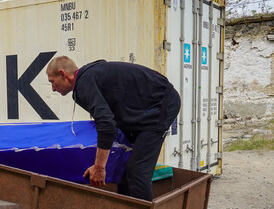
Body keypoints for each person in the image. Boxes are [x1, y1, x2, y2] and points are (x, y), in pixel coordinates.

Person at [46, 56, 181, 201]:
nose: (53, 88)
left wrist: (99, 167)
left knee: (137, 172)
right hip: (144, 107)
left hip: (161, 104)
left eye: (52, 82)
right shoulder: (89, 77)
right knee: (124, 169)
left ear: (63, 74)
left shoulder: (84, 83)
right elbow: (109, 121)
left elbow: (106, 123)